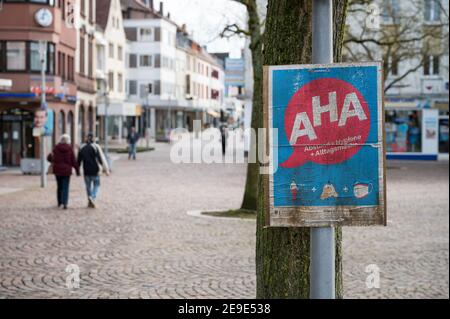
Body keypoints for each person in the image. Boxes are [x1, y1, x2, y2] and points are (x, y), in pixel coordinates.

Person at [47, 134, 80, 209]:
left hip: (57, 171)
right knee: (65, 187)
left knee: (59, 187)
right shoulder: (69, 148)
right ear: (68, 141)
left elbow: (49, 158)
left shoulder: (56, 148)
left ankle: (59, 202)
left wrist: (53, 160)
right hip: (66, 171)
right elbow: (73, 161)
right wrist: (77, 171)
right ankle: (65, 203)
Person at [77, 133, 110, 208]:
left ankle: (89, 199)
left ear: (86, 138)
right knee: (97, 184)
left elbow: (78, 160)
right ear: (93, 138)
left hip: (86, 170)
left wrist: (77, 170)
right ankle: (93, 196)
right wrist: (106, 169)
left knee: (88, 186)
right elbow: (101, 159)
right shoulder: (96, 146)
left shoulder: (82, 147)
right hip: (95, 169)